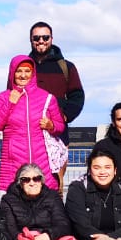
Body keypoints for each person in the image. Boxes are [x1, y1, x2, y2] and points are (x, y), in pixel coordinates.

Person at [14, 22, 85, 188]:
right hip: (29, 133)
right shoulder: (23, 67)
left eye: (45, 37)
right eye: (36, 38)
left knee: (56, 185)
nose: (41, 41)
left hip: (57, 133)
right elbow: (13, 94)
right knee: (28, 182)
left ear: (51, 39)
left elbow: (77, 95)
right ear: (31, 40)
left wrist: (65, 115)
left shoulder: (66, 67)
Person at [0, 55, 66, 193]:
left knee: (45, 206)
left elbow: (60, 126)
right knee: (17, 206)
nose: (23, 75)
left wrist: (51, 126)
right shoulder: (4, 97)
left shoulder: (46, 97)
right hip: (14, 161)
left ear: (33, 73)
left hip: (43, 162)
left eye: (27, 71)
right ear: (12, 73)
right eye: (19, 71)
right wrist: (10, 103)